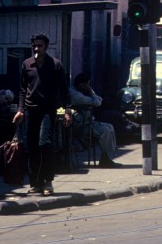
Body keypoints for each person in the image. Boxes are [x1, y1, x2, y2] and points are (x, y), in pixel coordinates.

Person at [13, 33, 74, 195]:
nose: (36, 48)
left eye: (39, 45)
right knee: (32, 146)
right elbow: (22, 89)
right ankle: (36, 183)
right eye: (34, 45)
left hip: (48, 110)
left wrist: (67, 111)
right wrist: (20, 110)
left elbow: (64, 90)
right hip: (31, 110)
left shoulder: (55, 65)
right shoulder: (27, 64)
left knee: (44, 143)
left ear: (46, 47)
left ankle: (48, 181)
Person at [68, 72, 120, 168]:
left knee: (109, 126)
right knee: (105, 130)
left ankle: (106, 156)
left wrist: (90, 91)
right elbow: (97, 102)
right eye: (87, 85)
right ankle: (104, 158)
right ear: (82, 85)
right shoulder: (74, 94)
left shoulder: (79, 92)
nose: (88, 87)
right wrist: (90, 91)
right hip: (80, 125)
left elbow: (99, 100)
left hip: (86, 122)